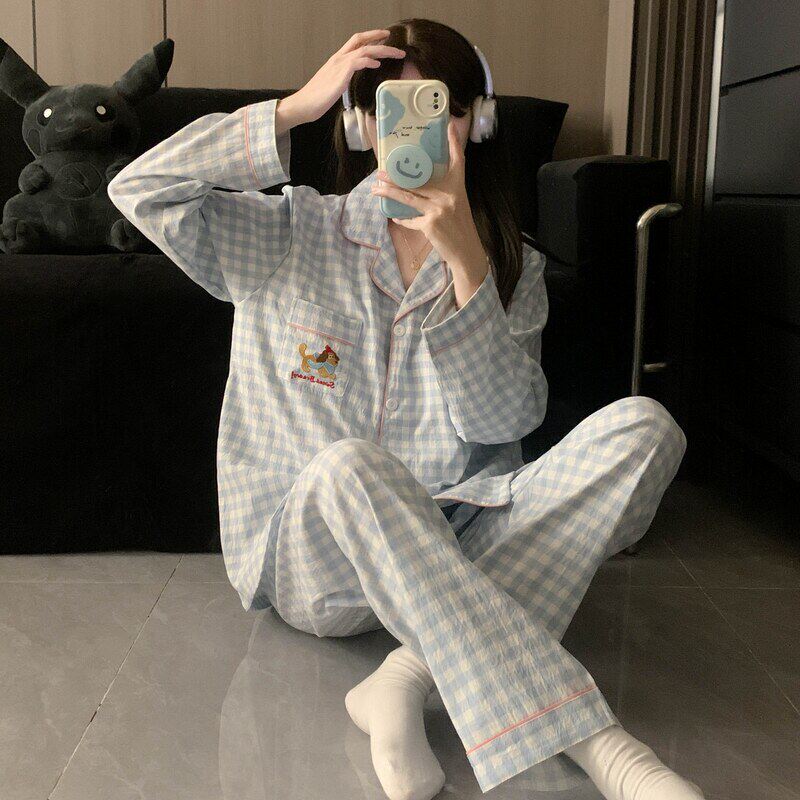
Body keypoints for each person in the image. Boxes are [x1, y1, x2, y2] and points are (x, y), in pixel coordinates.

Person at [108, 17, 704, 800]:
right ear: (362, 124)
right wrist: (293, 108)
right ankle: (603, 747)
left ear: (476, 124)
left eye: (441, 107)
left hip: (453, 536)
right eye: (395, 108)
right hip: (317, 558)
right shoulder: (290, 232)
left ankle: (406, 678)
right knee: (351, 465)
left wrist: (467, 267)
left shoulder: (509, 265)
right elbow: (137, 190)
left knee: (646, 429)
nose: (418, 128)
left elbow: (503, 425)